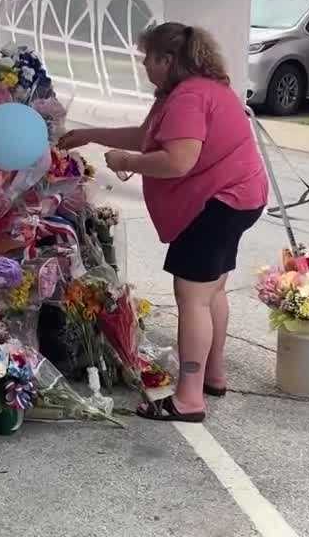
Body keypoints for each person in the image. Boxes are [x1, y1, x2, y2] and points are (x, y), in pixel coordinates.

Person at [59, 22, 268, 422]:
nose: (144, 65)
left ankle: (189, 399)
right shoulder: (193, 91)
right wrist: (90, 134)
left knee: (192, 299)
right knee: (212, 292)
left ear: (168, 60)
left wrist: (127, 164)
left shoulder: (189, 97)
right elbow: (147, 136)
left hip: (217, 204)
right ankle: (212, 374)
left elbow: (177, 160)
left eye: (148, 58)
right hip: (239, 198)